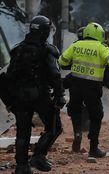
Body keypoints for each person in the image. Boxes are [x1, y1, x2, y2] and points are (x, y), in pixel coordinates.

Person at [58, 22, 109, 158]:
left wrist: (76, 64)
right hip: (92, 87)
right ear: (98, 34)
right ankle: (93, 148)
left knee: (76, 110)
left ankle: (77, 133)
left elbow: (62, 62)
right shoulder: (101, 47)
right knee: (96, 115)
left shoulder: (75, 45)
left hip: (75, 84)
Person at [6, 15, 65, 173]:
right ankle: (38, 156)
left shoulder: (17, 49)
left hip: (19, 97)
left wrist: (9, 101)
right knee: (54, 127)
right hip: (40, 96)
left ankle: (21, 167)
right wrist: (60, 95)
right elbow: (55, 74)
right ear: (45, 31)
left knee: (23, 133)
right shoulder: (47, 50)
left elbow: (8, 76)